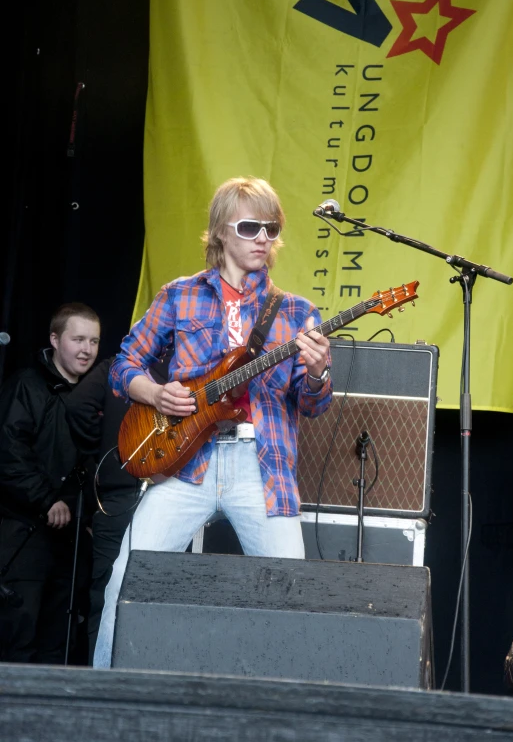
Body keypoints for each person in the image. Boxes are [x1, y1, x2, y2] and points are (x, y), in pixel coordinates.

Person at [94, 177, 332, 668]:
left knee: (292, 595)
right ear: (221, 233)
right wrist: (157, 393)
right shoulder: (179, 296)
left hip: (259, 465)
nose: (263, 237)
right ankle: (101, 697)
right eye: (250, 226)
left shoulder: (296, 311)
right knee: (126, 577)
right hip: (186, 463)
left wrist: (316, 372)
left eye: (271, 228)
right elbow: (123, 367)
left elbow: (311, 406)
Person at [0, 302, 100, 663]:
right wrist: (46, 501)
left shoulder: (95, 397)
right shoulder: (27, 386)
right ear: (55, 340)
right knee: (18, 634)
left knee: (60, 640)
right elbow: (9, 454)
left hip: (71, 543)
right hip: (25, 532)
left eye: (93, 341)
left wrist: (88, 519)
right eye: (78, 339)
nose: (86, 349)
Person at [65, 352, 171, 664]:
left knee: (107, 592)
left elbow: (76, 406)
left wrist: (106, 450)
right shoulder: (192, 366)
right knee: (157, 595)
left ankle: (104, 681)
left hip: (121, 492)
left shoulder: (116, 365)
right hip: (162, 490)